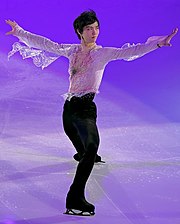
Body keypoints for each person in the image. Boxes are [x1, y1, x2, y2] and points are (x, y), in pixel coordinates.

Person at [5, 10, 178, 216]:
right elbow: (46, 43)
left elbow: (132, 51)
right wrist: (20, 32)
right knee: (84, 149)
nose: (94, 32)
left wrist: (158, 43)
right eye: (89, 29)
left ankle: (75, 197)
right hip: (68, 110)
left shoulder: (103, 53)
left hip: (86, 109)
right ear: (80, 31)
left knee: (91, 147)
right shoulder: (71, 50)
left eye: (96, 28)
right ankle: (86, 155)